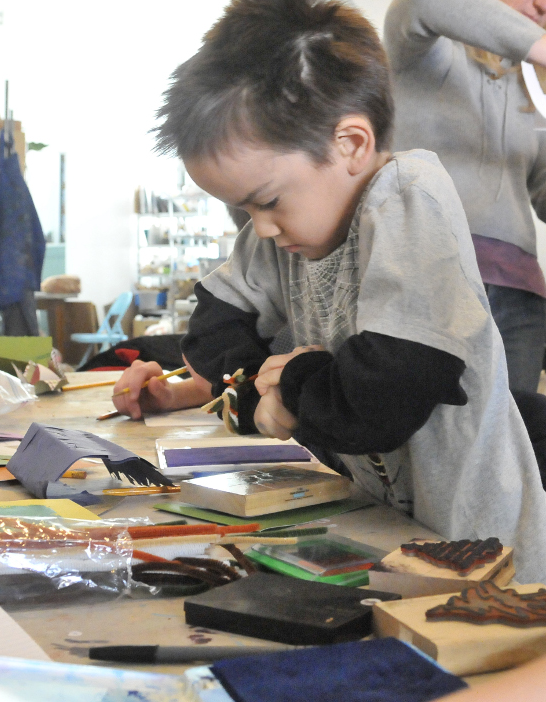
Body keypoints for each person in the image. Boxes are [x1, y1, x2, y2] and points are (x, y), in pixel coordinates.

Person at [129, 0, 546, 583]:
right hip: (389, 535)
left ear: (350, 145)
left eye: (268, 201)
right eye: (244, 207)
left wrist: (293, 387)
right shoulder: (282, 231)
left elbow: (384, 399)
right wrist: (260, 395)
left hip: (480, 551)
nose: (262, 227)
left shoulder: (409, 194)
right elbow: (215, 328)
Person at [383, 0, 546, 393]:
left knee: (517, 441)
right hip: (427, 277)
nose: (541, 4)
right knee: (429, 439)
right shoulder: (425, 55)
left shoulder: (534, 94)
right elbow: (423, 5)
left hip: (518, 290)